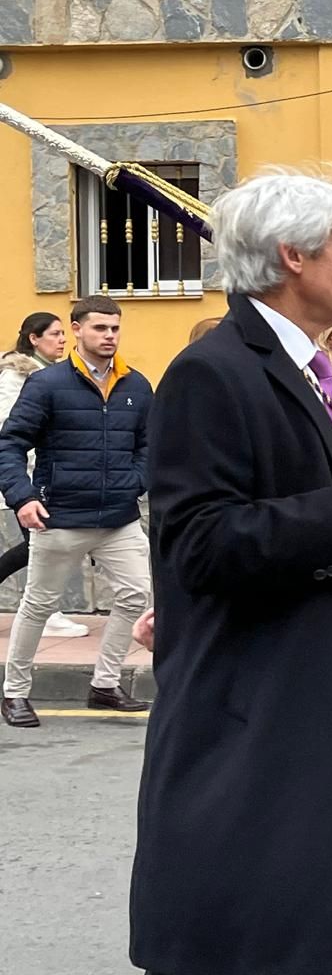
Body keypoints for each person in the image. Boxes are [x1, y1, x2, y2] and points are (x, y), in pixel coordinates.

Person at [129, 168, 332, 975]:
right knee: (271, 939)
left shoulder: (322, 367)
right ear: (293, 255)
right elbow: (197, 544)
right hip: (255, 715)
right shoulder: (213, 371)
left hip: (321, 705)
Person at [0, 296, 153, 727]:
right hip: (59, 515)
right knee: (38, 604)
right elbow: (10, 444)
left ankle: (105, 685)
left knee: (136, 595)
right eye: (100, 328)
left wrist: (136, 481)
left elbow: (149, 444)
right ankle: (15, 693)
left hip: (119, 518)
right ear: (78, 330)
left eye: (115, 329)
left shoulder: (136, 385)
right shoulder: (48, 384)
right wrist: (24, 497)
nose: (109, 336)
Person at [0, 312, 90, 638]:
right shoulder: (16, 376)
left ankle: (46, 610)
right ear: (34, 338)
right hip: (26, 477)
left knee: (40, 546)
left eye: (63, 333)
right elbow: (10, 429)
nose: (63, 340)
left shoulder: (54, 374)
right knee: (41, 545)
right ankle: (48, 612)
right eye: (54, 334)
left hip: (50, 474)